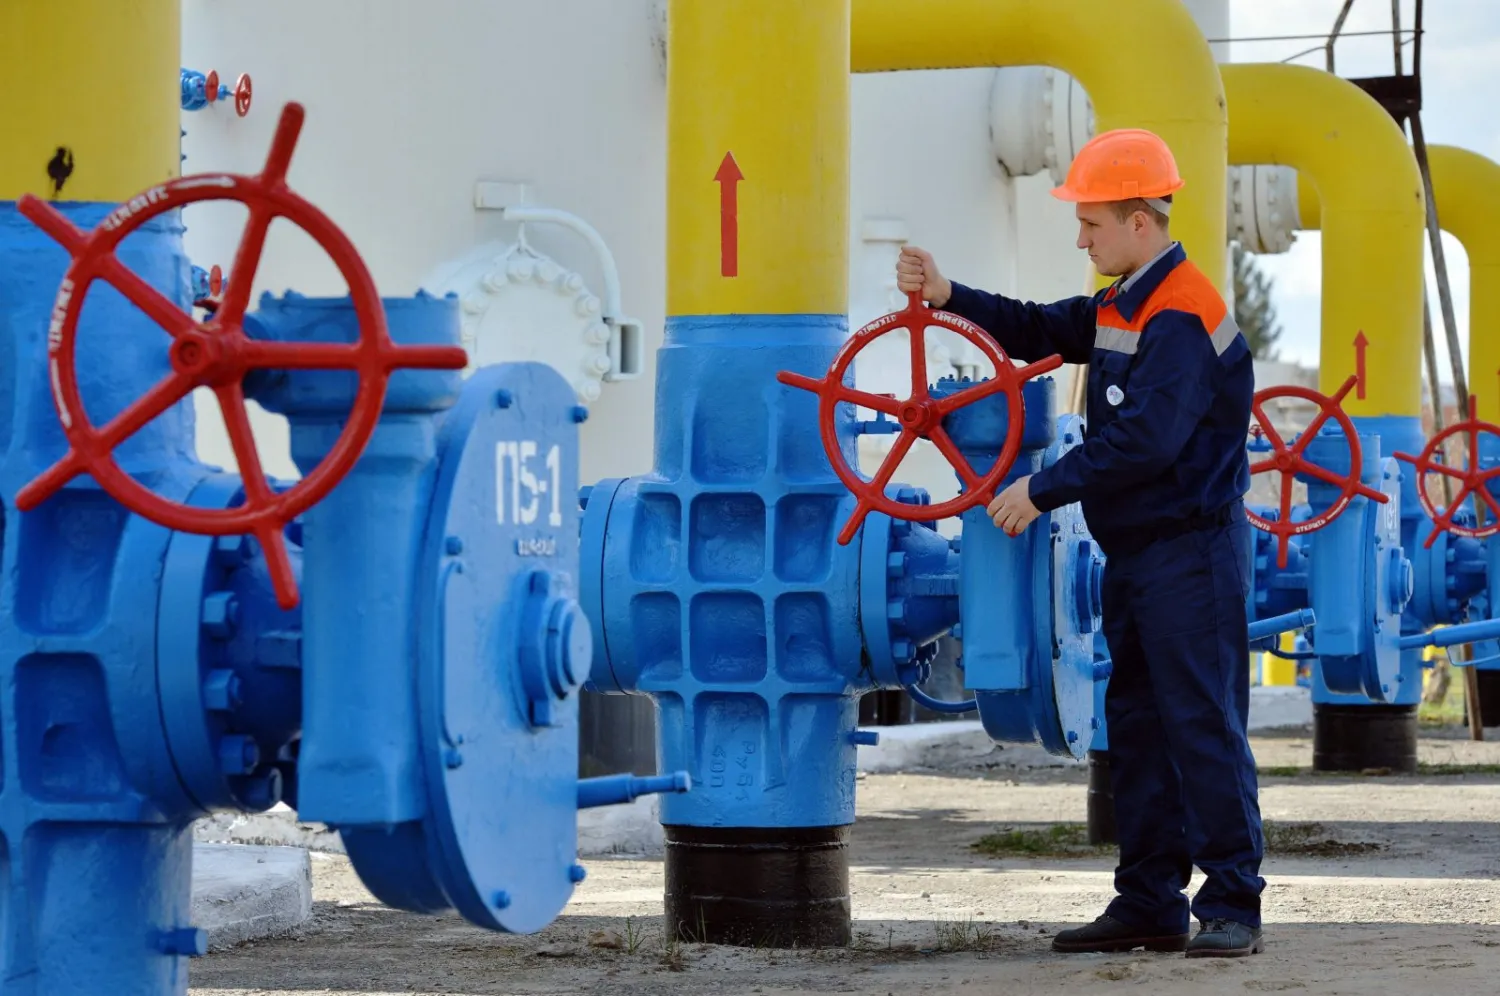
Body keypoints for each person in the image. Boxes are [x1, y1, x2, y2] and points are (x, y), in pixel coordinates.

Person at [896, 127, 1263, 959]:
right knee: (1137, 727)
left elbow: (1146, 442)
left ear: (1139, 221)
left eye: (1091, 224)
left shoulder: (1181, 312)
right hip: (1141, 554)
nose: (1080, 239)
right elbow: (1037, 327)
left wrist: (1039, 490)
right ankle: (1150, 902)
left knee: (1202, 726)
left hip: (1192, 555)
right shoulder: (1122, 302)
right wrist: (949, 294)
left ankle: (1233, 903)